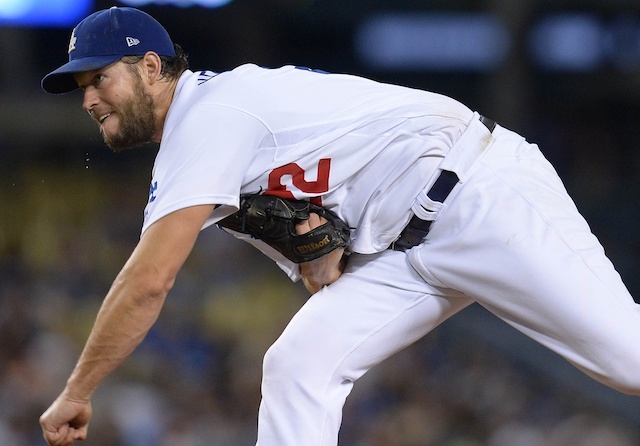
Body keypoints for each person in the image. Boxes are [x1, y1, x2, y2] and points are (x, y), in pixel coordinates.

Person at [39, 6, 640, 446]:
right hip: (402, 254)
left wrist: (78, 390)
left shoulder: (209, 118)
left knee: (627, 364)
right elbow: (324, 267)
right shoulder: (202, 154)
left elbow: (148, 281)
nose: (89, 98)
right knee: (297, 367)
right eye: (80, 87)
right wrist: (315, 256)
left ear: (150, 67)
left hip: (479, 195)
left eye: (99, 78)